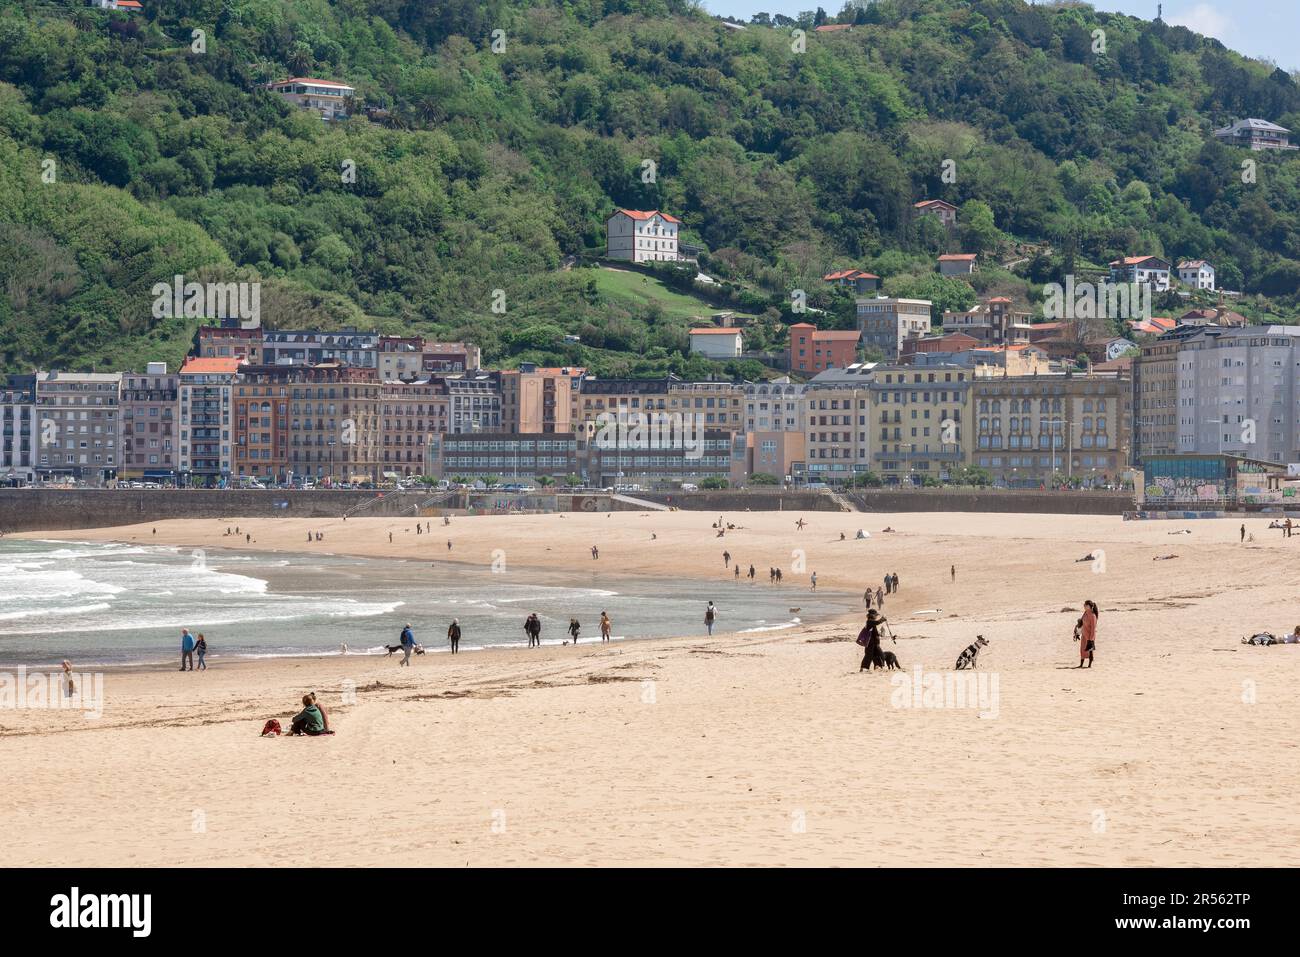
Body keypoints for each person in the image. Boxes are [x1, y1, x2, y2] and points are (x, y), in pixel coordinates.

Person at [1076, 600, 1098, 668]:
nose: (1084, 606)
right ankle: (1081, 664)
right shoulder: (1085, 613)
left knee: (1090, 651)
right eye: (1084, 605)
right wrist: (1077, 632)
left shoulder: (1093, 615)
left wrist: (1091, 639)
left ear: (1090, 606)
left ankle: (1089, 665)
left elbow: (1093, 628)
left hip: (1090, 636)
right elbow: (1081, 623)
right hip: (1084, 634)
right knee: (1082, 649)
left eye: (1086, 605)